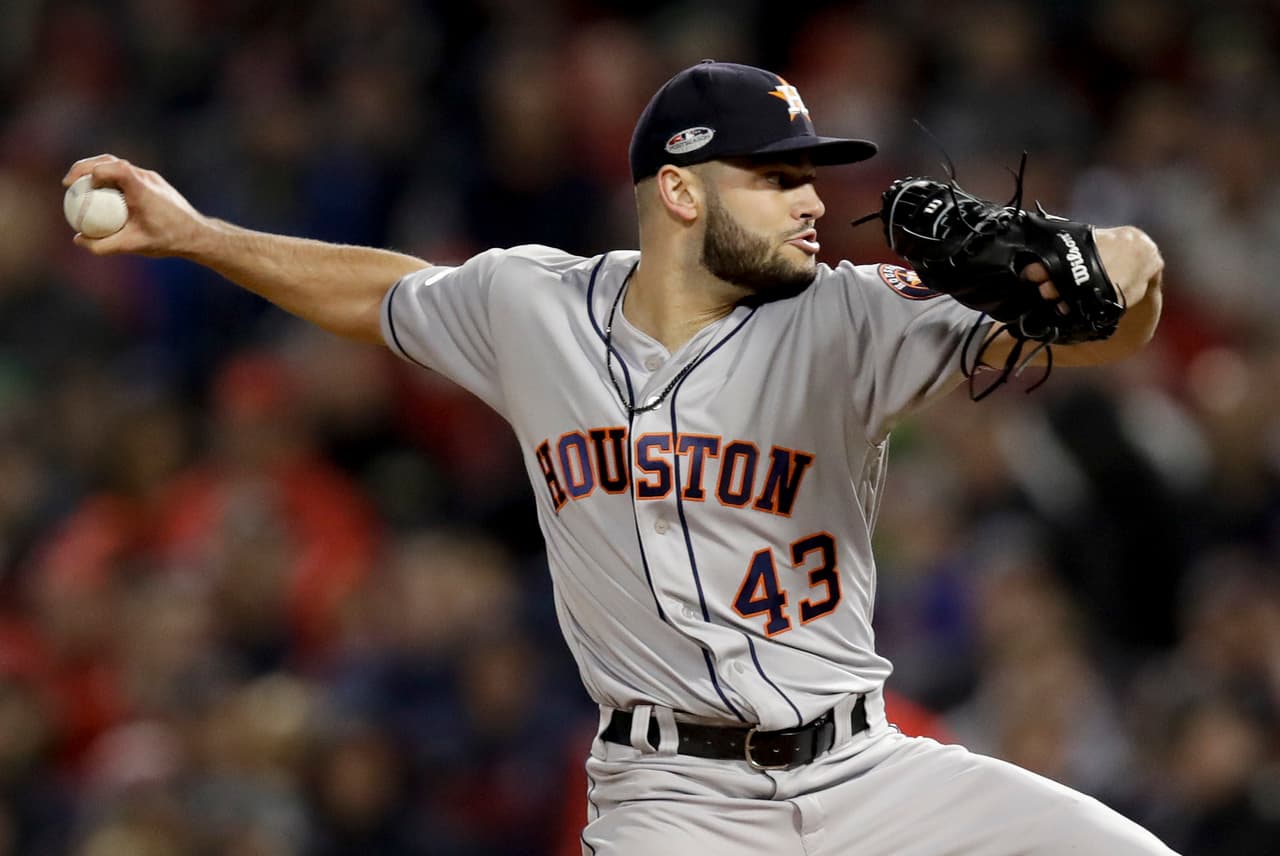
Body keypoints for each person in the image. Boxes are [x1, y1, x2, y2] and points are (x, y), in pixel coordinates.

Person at [65, 60, 1173, 855]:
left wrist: (1110, 262)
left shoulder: (852, 316)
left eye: (809, 175)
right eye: (776, 176)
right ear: (680, 191)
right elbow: (378, 294)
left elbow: (1111, 317)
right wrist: (197, 233)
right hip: (671, 800)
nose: (810, 201)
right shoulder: (528, 306)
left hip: (869, 772)